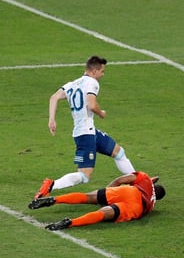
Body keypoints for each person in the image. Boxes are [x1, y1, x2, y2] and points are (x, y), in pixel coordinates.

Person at [34, 56, 136, 200]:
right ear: (94, 71)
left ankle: (138, 183)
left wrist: (52, 119)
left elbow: (54, 97)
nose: (103, 74)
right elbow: (92, 105)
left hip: (88, 131)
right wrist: (101, 113)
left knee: (118, 152)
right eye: (102, 71)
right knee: (84, 176)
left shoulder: (72, 84)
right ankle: (51, 185)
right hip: (85, 135)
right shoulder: (92, 83)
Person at [28, 171, 165, 230]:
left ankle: (54, 199)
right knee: (103, 213)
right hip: (137, 208)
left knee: (88, 197)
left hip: (130, 192)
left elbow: (120, 180)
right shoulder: (152, 203)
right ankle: (70, 223)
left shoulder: (145, 179)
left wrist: (107, 192)